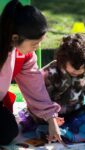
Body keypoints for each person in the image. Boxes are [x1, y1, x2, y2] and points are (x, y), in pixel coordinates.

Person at [0, 0, 63, 145]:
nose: (37, 47)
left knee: (9, 131)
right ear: (15, 38)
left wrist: (51, 119)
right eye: (34, 44)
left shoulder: (24, 55)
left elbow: (35, 88)